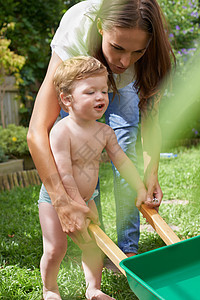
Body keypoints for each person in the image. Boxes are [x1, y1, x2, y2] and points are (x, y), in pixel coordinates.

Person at [27, 0, 175, 266]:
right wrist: (62, 203)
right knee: (78, 151)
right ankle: (96, 242)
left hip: (121, 67)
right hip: (83, 67)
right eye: (117, 47)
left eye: (137, 52)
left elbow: (150, 117)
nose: (124, 61)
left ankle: (128, 248)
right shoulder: (77, 32)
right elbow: (37, 131)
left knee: (124, 143)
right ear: (100, 28)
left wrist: (151, 175)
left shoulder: (146, 51)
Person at [39, 55, 147, 299]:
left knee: (93, 246)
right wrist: (75, 205)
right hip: (57, 200)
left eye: (104, 91)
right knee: (56, 248)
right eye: (90, 92)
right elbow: (64, 172)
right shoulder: (61, 131)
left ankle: (94, 288)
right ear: (67, 99)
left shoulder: (105, 132)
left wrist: (139, 187)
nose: (100, 97)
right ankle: (50, 289)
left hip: (87, 198)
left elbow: (121, 160)